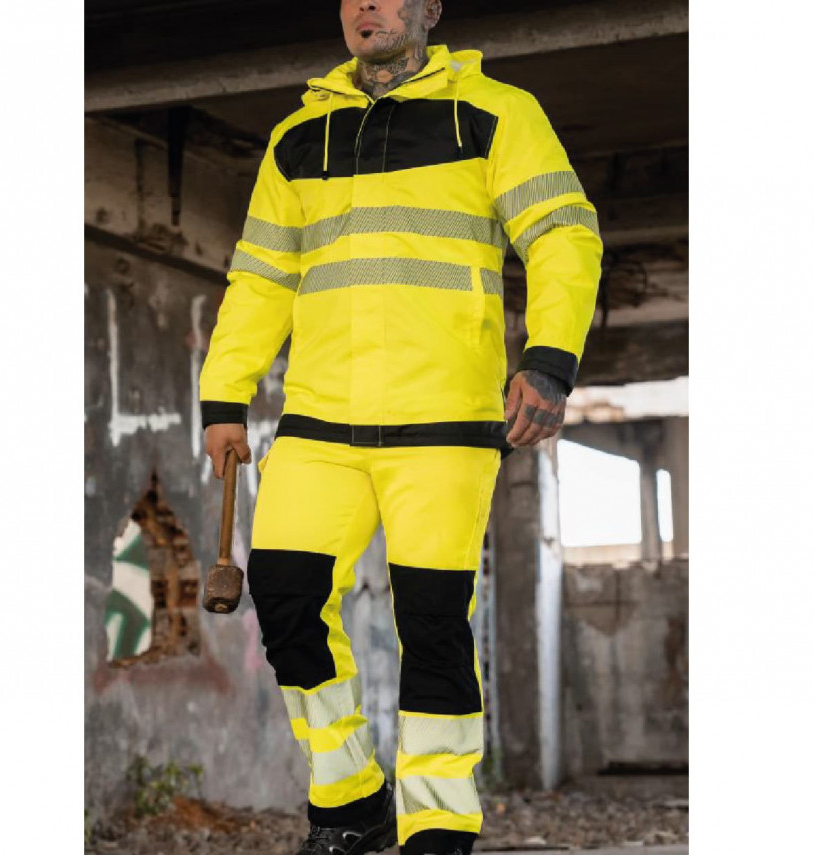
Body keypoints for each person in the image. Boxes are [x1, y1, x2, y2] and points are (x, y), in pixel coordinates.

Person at [199, 2, 602, 853]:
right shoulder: (296, 137)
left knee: (432, 623)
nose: (366, 7)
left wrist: (548, 359)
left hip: (443, 417)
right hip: (319, 418)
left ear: (428, 9)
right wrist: (223, 396)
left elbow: (562, 233)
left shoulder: (495, 112)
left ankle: (438, 821)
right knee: (285, 600)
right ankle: (350, 798)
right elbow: (261, 275)